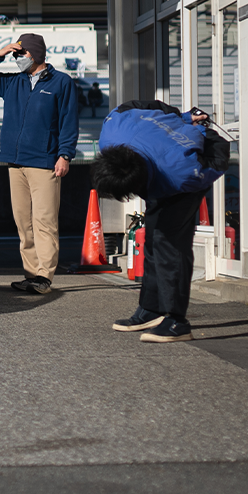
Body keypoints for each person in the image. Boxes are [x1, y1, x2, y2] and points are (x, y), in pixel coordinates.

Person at [92, 101, 229, 342]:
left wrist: (203, 132)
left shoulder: (184, 174)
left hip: (195, 159)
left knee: (169, 243)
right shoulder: (112, 130)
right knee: (152, 241)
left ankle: (177, 321)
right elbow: (132, 106)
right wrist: (180, 116)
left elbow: (219, 159)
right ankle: (151, 309)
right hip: (159, 158)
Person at [0, 33, 79, 294]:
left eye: (20, 54)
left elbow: (69, 121)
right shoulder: (12, 83)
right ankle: (31, 274)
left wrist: (65, 155)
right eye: (15, 54)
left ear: (36, 55)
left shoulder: (61, 83)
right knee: (24, 222)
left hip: (45, 163)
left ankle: (45, 275)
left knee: (44, 220)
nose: (16, 59)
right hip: (15, 162)